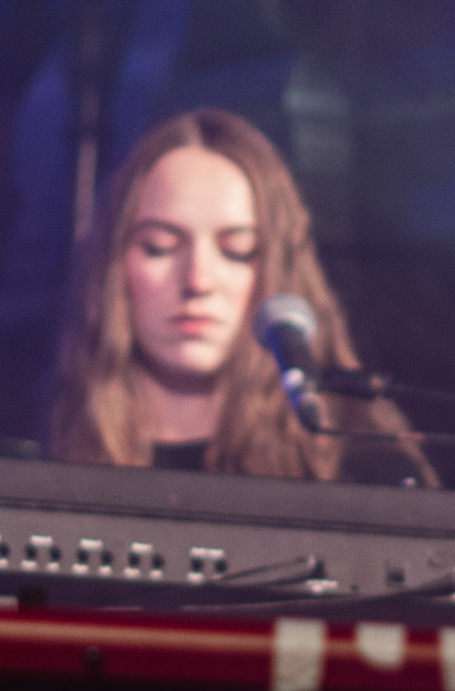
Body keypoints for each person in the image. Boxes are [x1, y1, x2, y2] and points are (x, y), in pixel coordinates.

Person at [50, 107, 434, 484]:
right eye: (161, 246)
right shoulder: (49, 463)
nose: (198, 280)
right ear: (113, 267)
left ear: (277, 270)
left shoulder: (365, 469)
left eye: (237, 250)